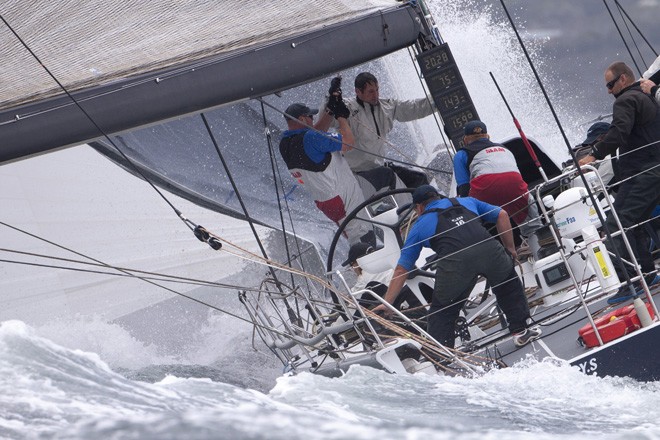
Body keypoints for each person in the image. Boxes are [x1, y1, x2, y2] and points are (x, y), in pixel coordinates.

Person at [373, 185, 541, 349]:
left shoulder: (419, 225)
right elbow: (502, 215)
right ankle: (520, 331)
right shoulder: (467, 201)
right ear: (437, 197)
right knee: (508, 287)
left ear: (420, 207)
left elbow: (402, 269)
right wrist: (510, 249)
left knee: (442, 312)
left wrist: (387, 303)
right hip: (489, 251)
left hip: (457, 266)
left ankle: (443, 358)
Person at [578, 61, 660, 304]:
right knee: (635, 222)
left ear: (623, 79)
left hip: (643, 172)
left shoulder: (626, 100)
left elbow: (619, 131)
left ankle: (633, 281)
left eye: (611, 84)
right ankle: (647, 272)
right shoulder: (649, 97)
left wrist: (593, 155)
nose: (609, 90)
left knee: (615, 224)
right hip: (655, 169)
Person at [279, 101, 367, 243]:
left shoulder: (285, 143)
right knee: (363, 236)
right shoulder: (312, 138)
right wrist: (341, 118)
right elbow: (348, 142)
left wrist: (330, 112)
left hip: (325, 203)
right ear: (302, 119)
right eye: (310, 117)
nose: (313, 120)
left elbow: (315, 135)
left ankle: (359, 260)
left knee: (352, 235)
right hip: (341, 196)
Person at [452, 120, 543, 256]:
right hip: (514, 186)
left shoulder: (461, 154)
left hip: (485, 189)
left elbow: (464, 188)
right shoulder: (504, 149)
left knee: (475, 225)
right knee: (531, 219)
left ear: (466, 140)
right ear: (488, 136)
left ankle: (496, 255)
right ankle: (539, 248)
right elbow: (514, 176)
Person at [328, 72, 435, 187]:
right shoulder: (347, 108)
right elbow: (327, 118)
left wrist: (438, 100)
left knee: (419, 179)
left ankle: (424, 205)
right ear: (358, 92)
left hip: (378, 167)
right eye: (371, 91)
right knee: (388, 174)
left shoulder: (386, 106)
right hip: (356, 173)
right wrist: (332, 98)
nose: (375, 95)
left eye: (377, 90)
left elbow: (413, 108)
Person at [344, 242, 425, 311]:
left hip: (403, 307)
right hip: (418, 295)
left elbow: (353, 307)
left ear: (356, 263)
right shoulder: (390, 263)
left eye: (351, 264)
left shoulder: (364, 277)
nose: (352, 269)